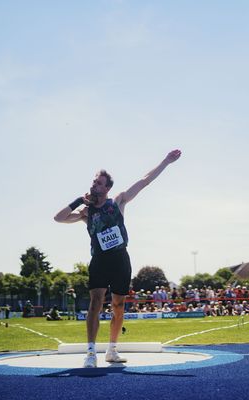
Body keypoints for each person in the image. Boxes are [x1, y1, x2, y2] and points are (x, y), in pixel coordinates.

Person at [54, 149, 181, 368]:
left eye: (99, 183)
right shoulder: (87, 212)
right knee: (95, 303)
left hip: (120, 259)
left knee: (118, 305)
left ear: (107, 188)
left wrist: (166, 162)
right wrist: (77, 201)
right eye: (93, 182)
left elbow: (144, 181)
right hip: (99, 261)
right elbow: (59, 218)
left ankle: (112, 349)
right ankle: (91, 352)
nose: (94, 185)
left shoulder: (118, 201)